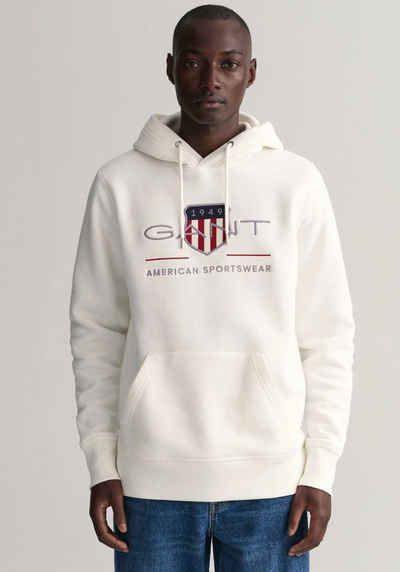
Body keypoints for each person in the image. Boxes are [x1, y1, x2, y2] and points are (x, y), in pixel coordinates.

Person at [69, 4, 355, 571]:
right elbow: (96, 331)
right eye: (194, 63)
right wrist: (102, 462)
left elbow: (327, 335)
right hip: (150, 480)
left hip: (271, 480)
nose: (210, 81)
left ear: (252, 72)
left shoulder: (295, 183)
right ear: (170, 67)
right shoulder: (119, 184)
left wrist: (320, 469)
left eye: (228, 64)